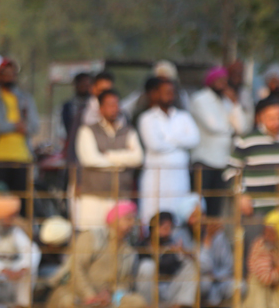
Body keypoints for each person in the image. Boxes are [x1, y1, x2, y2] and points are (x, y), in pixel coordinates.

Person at [45, 200, 148, 308]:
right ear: (114, 220)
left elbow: (124, 283)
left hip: (105, 300)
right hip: (77, 293)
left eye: (133, 219)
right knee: (68, 303)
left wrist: (109, 293)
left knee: (139, 303)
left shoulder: (129, 252)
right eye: (128, 219)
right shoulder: (91, 237)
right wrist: (90, 295)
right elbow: (76, 268)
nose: (132, 223)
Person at [226, 97, 279, 224]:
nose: (276, 122)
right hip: (256, 210)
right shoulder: (246, 141)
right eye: (270, 118)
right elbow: (231, 170)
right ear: (260, 118)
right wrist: (240, 196)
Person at [73, 89, 144, 230]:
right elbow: (90, 160)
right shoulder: (87, 130)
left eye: (116, 104)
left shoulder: (128, 131)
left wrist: (109, 156)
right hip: (93, 196)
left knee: (118, 238)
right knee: (92, 236)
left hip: (120, 195)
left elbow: (138, 158)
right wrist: (123, 161)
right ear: (100, 109)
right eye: (110, 105)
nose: (114, 108)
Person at [137, 76, 200, 227]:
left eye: (172, 92)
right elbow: (154, 145)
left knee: (177, 217)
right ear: (155, 94)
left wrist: (167, 138)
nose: (169, 95)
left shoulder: (183, 116)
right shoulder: (147, 118)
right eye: (165, 92)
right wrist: (180, 141)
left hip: (179, 176)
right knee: (152, 216)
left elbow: (194, 139)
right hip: (156, 178)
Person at [189, 66, 248, 218]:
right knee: (200, 205)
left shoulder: (226, 101)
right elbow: (214, 126)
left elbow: (242, 127)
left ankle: (212, 233)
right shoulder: (200, 99)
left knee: (216, 207)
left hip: (223, 161)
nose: (223, 84)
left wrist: (235, 103)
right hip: (204, 160)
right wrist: (231, 128)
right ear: (211, 81)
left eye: (225, 80)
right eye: (219, 80)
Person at [0, 58, 39, 212]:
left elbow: (34, 126)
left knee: (23, 204)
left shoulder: (26, 98)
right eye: (5, 74)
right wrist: (16, 126)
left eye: (12, 74)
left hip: (23, 157)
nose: (9, 77)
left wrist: (21, 127)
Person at [135, 210, 198, 308]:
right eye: (164, 228)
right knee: (147, 266)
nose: (167, 232)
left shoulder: (172, 246)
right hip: (146, 295)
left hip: (166, 293)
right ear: (154, 228)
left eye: (170, 228)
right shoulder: (141, 246)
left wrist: (183, 253)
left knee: (190, 265)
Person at [199, 215, 238, 308]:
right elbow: (204, 266)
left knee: (240, 286)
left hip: (219, 280)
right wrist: (208, 239)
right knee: (206, 283)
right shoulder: (184, 235)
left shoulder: (219, 237)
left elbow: (228, 265)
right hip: (201, 281)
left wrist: (216, 276)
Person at [61, 72, 93, 163]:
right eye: (82, 84)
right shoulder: (68, 106)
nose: (85, 87)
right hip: (74, 145)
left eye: (88, 84)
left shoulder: (94, 105)